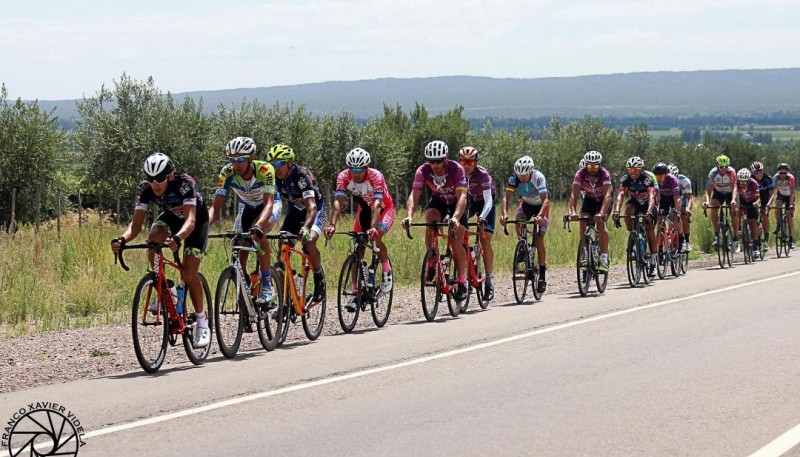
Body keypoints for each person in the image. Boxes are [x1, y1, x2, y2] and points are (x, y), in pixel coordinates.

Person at [111, 153, 211, 347]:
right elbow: (136, 226)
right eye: (150, 179)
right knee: (153, 239)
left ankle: (201, 322)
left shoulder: (184, 184)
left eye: (160, 179)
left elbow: (190, 221)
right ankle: (167, 288)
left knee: (189, 274)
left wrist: (178, 238)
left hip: (196, 221)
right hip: (172, 216)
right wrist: (122, 239)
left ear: (170, 176)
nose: (155, 184)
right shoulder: (145, 189)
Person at [208, 136, 281, 306]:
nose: (237, 164)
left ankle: (266, 284)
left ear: (251, 158)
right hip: (247, 206)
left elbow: (269, 204)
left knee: (258, 234)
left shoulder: (265, 169)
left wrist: (258, 226)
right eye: (232, 160)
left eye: (241, 159)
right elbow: (216, 208)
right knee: (240, 242)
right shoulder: (226, 173)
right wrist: (203, 227)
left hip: (269, 205)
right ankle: (244, 283)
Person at [324, 147, 396, 311]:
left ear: (366, 167)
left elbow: (377, 204)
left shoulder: (375, 176)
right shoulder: (343, 176)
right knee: (358, 246)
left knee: (375, 236)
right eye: (352, 169)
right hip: (364, 210)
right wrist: (332, 224)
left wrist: (373, 228)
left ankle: (386, 271)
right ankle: (356, 292)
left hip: (384, 209)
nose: (355, 173)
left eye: (359, 169)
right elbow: (338, 202)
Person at [401, 140, 469, 302]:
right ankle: (432, 258)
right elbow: (414, 195)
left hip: (457, 204)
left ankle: (462, 280)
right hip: (439, 201)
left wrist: (455, 218)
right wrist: (409, 216)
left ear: (445, 158)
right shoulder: (423, 171)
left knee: (454, 240)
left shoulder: (456, 169)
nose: (435, 165)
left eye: (439, 161)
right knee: (430, 220)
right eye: (432, 161)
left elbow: (463, 197)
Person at [268, 143, 327, 304]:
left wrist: (306, 229)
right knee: (282, 246)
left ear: (290, 163)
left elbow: (312, 207)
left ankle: (318, 276)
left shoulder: (301, 176)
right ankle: (287, 296)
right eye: (274, 164)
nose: (277, 168)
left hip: (315, 209)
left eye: (280, 163)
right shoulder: (274, 178)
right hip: (295, 210)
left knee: (308, 242)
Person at [501, 155, 551, 293]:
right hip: (527, 204)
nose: (522, 178)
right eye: (519, 175)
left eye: (525, 175)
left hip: (541, 206)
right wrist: (504, 214)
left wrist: (540, 215)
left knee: (538, 237)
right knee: (518, 219)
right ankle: (522, 245)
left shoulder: (538, 177)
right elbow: (506, 197)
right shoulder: (513, 179)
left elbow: (546, 200)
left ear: (531, 171)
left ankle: (542, 276)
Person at [459, 146, 497, 301]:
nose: (466, 165)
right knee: (460, 232)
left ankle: (489, 281)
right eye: (463, 161)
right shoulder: (457, 173)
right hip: (469, 202)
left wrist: (482, 217)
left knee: (485, 238)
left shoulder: (482, 175)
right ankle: (464, 266)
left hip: (485, 203)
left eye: (470, 161)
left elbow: (488, 201)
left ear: (475, 162)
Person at [613, 156, 658, 277]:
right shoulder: (625, 179)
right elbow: (620, 195)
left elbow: (652, 196)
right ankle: (632, 236)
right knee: (628, 209)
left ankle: (653, 261)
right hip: (635, 203)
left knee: (649, 230)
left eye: (636, 170)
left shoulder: (647, 179)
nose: (633, 173)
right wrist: (616, 211)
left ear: (641, 170)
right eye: (631, 170)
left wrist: (649, 211)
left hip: (648, 204)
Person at [568, 150, 613, 272]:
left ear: (600, 165)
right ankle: (585, 254)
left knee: (601, 224)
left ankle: (604, 258)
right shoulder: (580, 174)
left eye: (595, 166)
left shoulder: (605, 174)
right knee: (582, 218)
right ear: (586, 165)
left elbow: (608, 195)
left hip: (603, 201)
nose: (592, 169)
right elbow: (574, 195)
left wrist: (601, 213)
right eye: (590, 166)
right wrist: (572, 212)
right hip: (590, 200)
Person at [703, 154, 740, 252]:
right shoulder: (713, 173)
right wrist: (707, 201)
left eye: (726, 166)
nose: (724, 169)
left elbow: (735, 188)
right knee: (714, 207)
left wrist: (733, 200)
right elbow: (708, 190)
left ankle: (736, 239)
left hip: (729, 193)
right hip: (718, 192)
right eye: (722, 167)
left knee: (734, 210)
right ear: (717, 166)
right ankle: (716, 236)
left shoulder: (731, 172)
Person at [652, 163, 685, 251]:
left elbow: (677, 199)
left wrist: (677, 212)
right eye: (656, 175)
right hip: (663, 198)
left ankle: (682, 239)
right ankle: (659, 249)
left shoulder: (672, 180)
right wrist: (656, 210)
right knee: (659, 222)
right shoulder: (654, 181)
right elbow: (656, 198)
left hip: (674, 197)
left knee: (675, 218)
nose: (658, 177)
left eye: (661, 175)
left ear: (666, 174)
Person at [736, 168, 762, 256]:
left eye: (745, 182)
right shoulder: (736, 183)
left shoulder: (754, 183)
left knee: (753, 223)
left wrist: (756, 203)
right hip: (742, 201)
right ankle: (738, 230)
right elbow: (734, 195)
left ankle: (755, 246)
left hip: (752, 202)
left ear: (748, 180)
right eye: (741, 182)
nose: (743, 184)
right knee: (736, 211)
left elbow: (758, 198)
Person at [667, 163, 693, 252]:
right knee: (669, 217)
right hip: (671, 201)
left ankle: (687, 241)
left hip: (683, 201)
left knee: (684, 215)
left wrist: (688, 208)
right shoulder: (664, 181)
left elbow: (690, 197)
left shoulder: (684, 180)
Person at [750, 161, 774, 248]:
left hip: (765, 199)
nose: (759, 174)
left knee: (764, 215)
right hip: (755, 199)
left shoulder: (767, 178)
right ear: (753, 172)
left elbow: (772, 194)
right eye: (756, 172)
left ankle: (766, 240)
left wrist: (768, 204)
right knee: (754, 219)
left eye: (760, 171)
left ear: (763, 170)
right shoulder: (750, 178)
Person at [772, 163, 796, 249]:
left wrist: (790, 205)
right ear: (778, 173)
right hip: (781, 195)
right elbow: (773, 191)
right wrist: (769, 203)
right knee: (777, 208)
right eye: (781, 173)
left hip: (789, 196)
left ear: (787, 173)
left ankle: (791, 239)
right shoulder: (775, 177)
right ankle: (778, 224)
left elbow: (792, 192)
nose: (782, 175)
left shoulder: (791, 178)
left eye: (784, 173)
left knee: (789, 217)